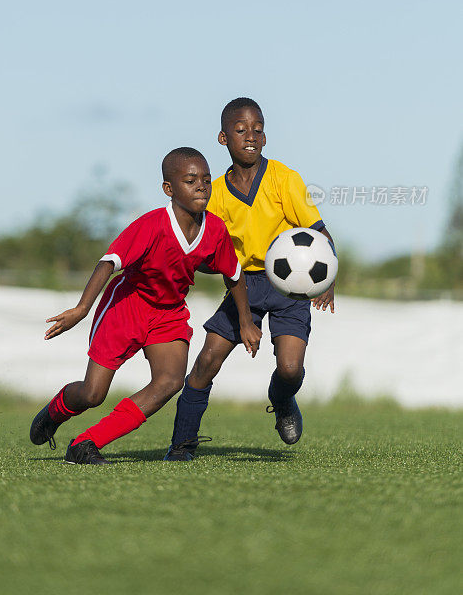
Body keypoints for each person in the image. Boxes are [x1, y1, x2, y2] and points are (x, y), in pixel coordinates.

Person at [29, 147, 260, 465]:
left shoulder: (216, 230)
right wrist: (82, 308)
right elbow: (109, 261)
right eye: (190, 180)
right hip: (125, 308)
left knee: (169, 382)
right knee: (92, 394)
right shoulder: (152, 225)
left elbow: (234, 275)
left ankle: (85, 443)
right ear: (169, 189)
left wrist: (246, 322)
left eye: (206, 180)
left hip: (168, 313)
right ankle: (56, 410)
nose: (201, 186)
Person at [164, 99, 335, 461]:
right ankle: (181, 444)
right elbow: (208, 252)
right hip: (242, 284)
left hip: (290, 286)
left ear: (265, 136)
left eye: (257, 128)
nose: (251, 136)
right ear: (224, 138)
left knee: (290, 369)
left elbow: (317, 231)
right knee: (207, 360)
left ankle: (282, 399)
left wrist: (328, 272)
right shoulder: (216, 194)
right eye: (241, 130)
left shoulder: (284, 179)